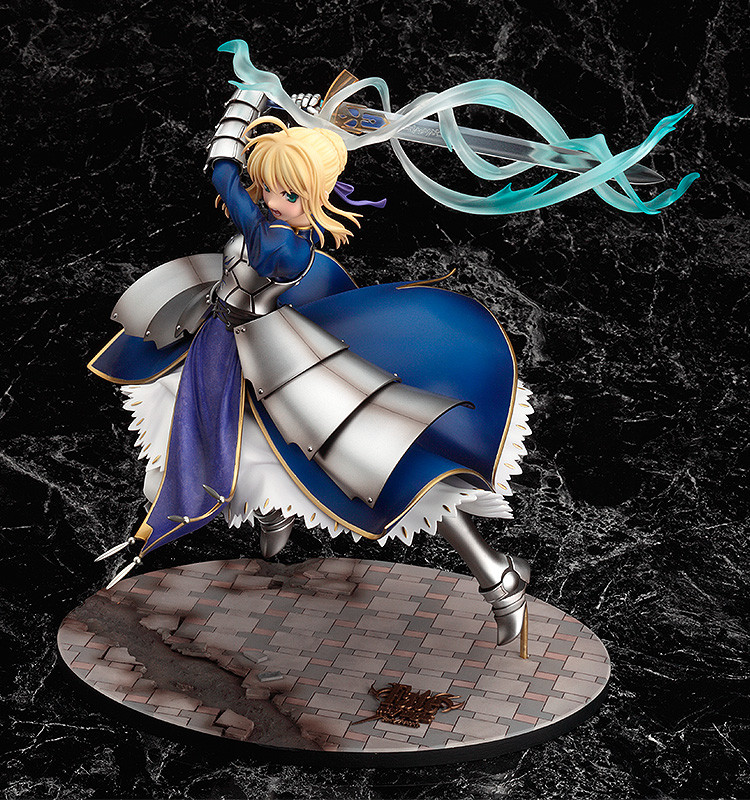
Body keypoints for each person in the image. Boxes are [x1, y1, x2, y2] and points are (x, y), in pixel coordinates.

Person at [90, 41, 697, 647]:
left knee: (377, 461)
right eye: (269, 187)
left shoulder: (278, 242)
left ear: (312, 198)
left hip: (271, 355)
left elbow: (223, 169)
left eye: (289, 194)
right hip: (220, 342)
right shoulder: (271, 223)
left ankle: (497, 576)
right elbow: (232, 175)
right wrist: (288, 113)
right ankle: (273, 522)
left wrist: (248, 102)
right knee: (243, 440)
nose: (271, 199)